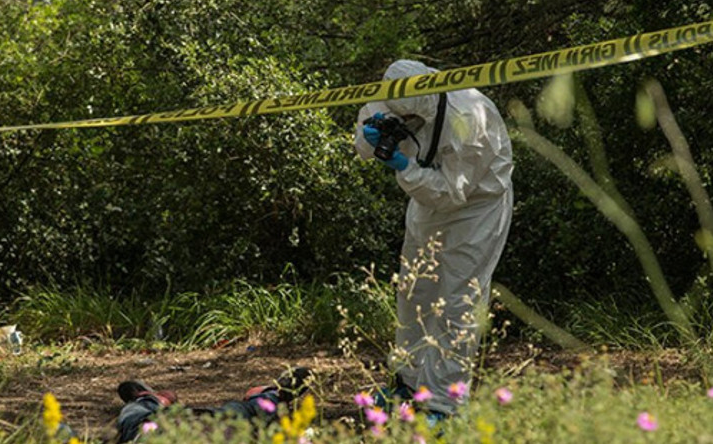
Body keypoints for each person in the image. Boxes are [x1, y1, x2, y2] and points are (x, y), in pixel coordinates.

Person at [355, 60, 513, 423]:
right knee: (414, 291)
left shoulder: (469, 117)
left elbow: (451, 192)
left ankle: (444, 405)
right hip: (425, 201)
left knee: (457, 300)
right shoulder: (394, 93)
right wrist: (371, 136)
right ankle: (408, 384)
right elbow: (362, 142)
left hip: (476, 208)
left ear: (422, 107)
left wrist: (401, 165)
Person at [114, 367, 312, 443]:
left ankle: (148, 398)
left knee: (136, 413)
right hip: (212, 424)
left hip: (161, 428)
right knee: (248, 410)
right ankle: (273, 394)